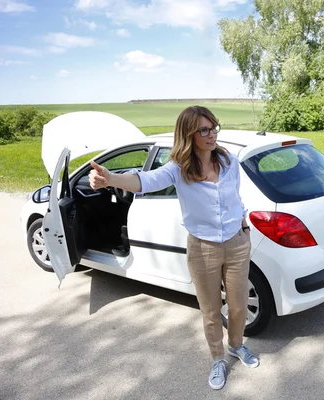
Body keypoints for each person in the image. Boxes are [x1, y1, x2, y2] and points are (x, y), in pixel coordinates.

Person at [89, 105, 259, 390]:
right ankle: (218, 358)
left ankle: (236, 345)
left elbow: (235, 196)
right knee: (211, 310)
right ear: (189, 135)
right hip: (203, 247)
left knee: (239, 305)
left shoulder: (229, 161)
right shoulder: (178, 169)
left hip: (236, 242)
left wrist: (243, 223)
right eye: (203, 130)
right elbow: (146, 181)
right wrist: (111, 178)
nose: (211, 134)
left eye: (213, 127)